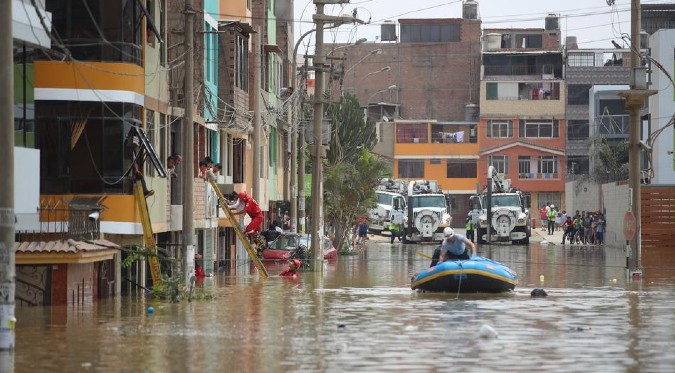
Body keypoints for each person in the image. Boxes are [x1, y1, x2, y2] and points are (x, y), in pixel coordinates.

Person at [125, 127, 154, 198]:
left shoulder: (134, 152)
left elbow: (134, 162)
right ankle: (145, 191)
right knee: (139, 176)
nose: (136, 148)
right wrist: (136, 170)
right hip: (126, 173)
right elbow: (133, 162)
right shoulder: (129, 151)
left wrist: (137, 170)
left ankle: (145, 191)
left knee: (139, 176)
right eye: (135, 146)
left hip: (130, 172)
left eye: (136, 146)